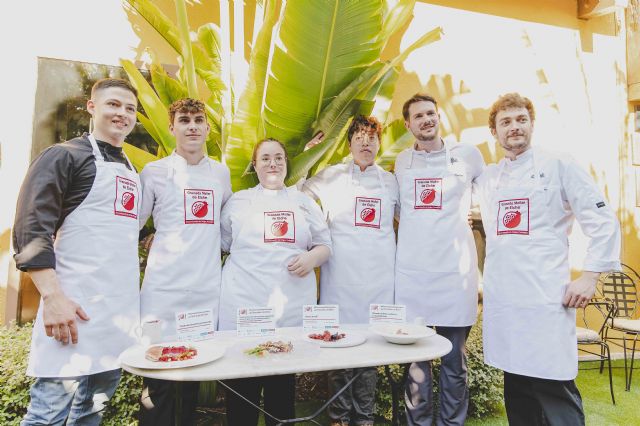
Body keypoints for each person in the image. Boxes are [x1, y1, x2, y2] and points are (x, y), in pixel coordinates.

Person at [476, 93, 621, 426]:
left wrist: (589, 277)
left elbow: (602, 221)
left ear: (532, 124)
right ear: (494, 132)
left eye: (521, 120)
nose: (514, 128)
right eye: (506, 122)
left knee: (554, 390)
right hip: (507, 305)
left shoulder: (559, 164)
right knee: (518, 391)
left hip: (545, 301)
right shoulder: (489, 179)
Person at [13, 78, 141, 425]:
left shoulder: (133, 171)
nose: (122, 114)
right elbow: (31, 229)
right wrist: (53, 298)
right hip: (71, 311)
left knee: (92, 412)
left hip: (115, 318)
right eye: (113, 104)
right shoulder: (64, 155)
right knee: (48, 415)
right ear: (92, 107)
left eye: (130, 109)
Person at [218, 138, 332, 426]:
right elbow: (224, 242)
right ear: (254, 165)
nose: (273, 163)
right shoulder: (238, 201)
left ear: (286, 163)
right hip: (244, 302)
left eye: (279, 157)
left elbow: (325, 246)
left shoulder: (303, 201)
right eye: (266, 158)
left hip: (289, 306)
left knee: (281, 389)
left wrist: (311, 259)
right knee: (242, 386)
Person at [137, 98, 232, 425]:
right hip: (163, 289)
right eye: (184, 120)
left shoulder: (221, 172)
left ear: (207, 128)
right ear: (172, 127)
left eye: (198, 120)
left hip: (206, 289)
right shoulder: (154, 172)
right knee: (157, 381)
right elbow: (133, 223)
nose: (192, 126)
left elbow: (226, 225)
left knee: (194, 371)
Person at [394, 94, 485, 425]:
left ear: (439, 116)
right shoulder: (402, 162)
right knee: (417, 362)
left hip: (454, 275)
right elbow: (400, 211)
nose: (426, 119)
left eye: (431, 113)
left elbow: (493, 193)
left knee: (453, 363)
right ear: (408, 125)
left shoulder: (468, 155)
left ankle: (451, 423)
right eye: (418, 116)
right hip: (413, 276)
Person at [302, 116, 399, 426]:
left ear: (379, 143)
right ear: (349, 143)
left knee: (370, 352)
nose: (366, 142)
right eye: (359, 136)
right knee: (340, 348)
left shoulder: (391, 182)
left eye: (372, 137)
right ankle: (339, 418)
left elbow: (413, 220)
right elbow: (297, 189)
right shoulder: (331, 176)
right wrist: (309, 153)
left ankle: (365, 418)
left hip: (379, 280)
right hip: (340, 278)